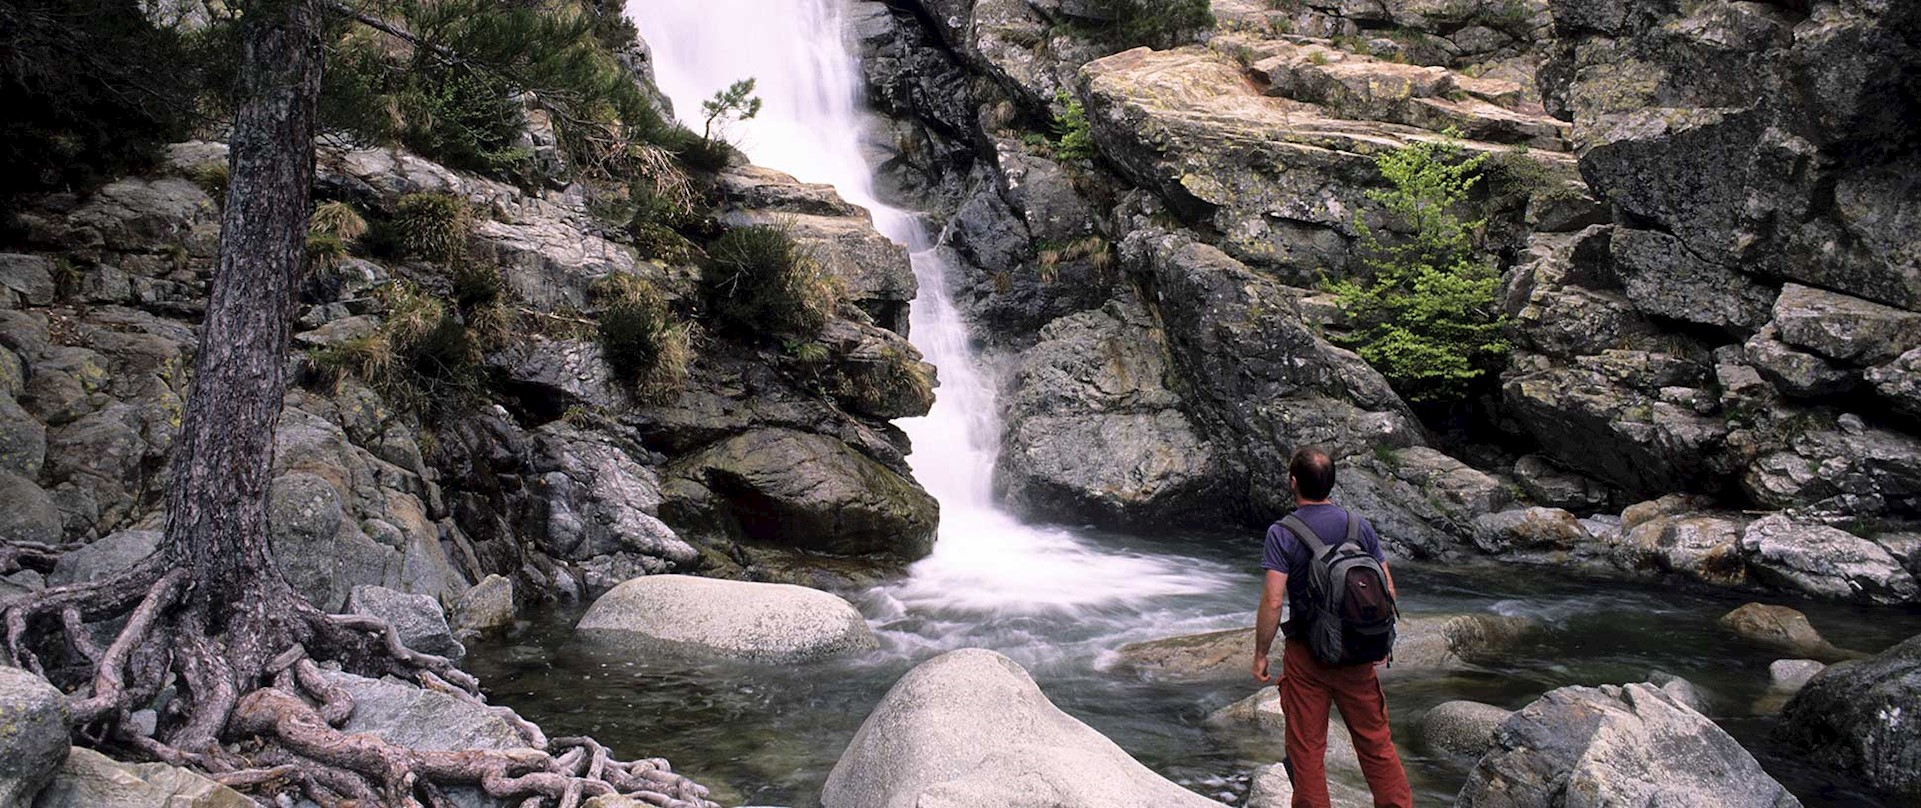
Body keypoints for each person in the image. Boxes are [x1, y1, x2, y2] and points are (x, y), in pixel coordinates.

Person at [1252, 446, 1412, 808]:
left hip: (1309, 657)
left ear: (1293, 482)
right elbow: (1387, 590)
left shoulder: (1282, 533)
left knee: (1307, 750)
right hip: (1357, 655)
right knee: (1376, 743)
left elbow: (1274, 601)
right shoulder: (1359, 526)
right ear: (1332, 484)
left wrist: (1261, 654)